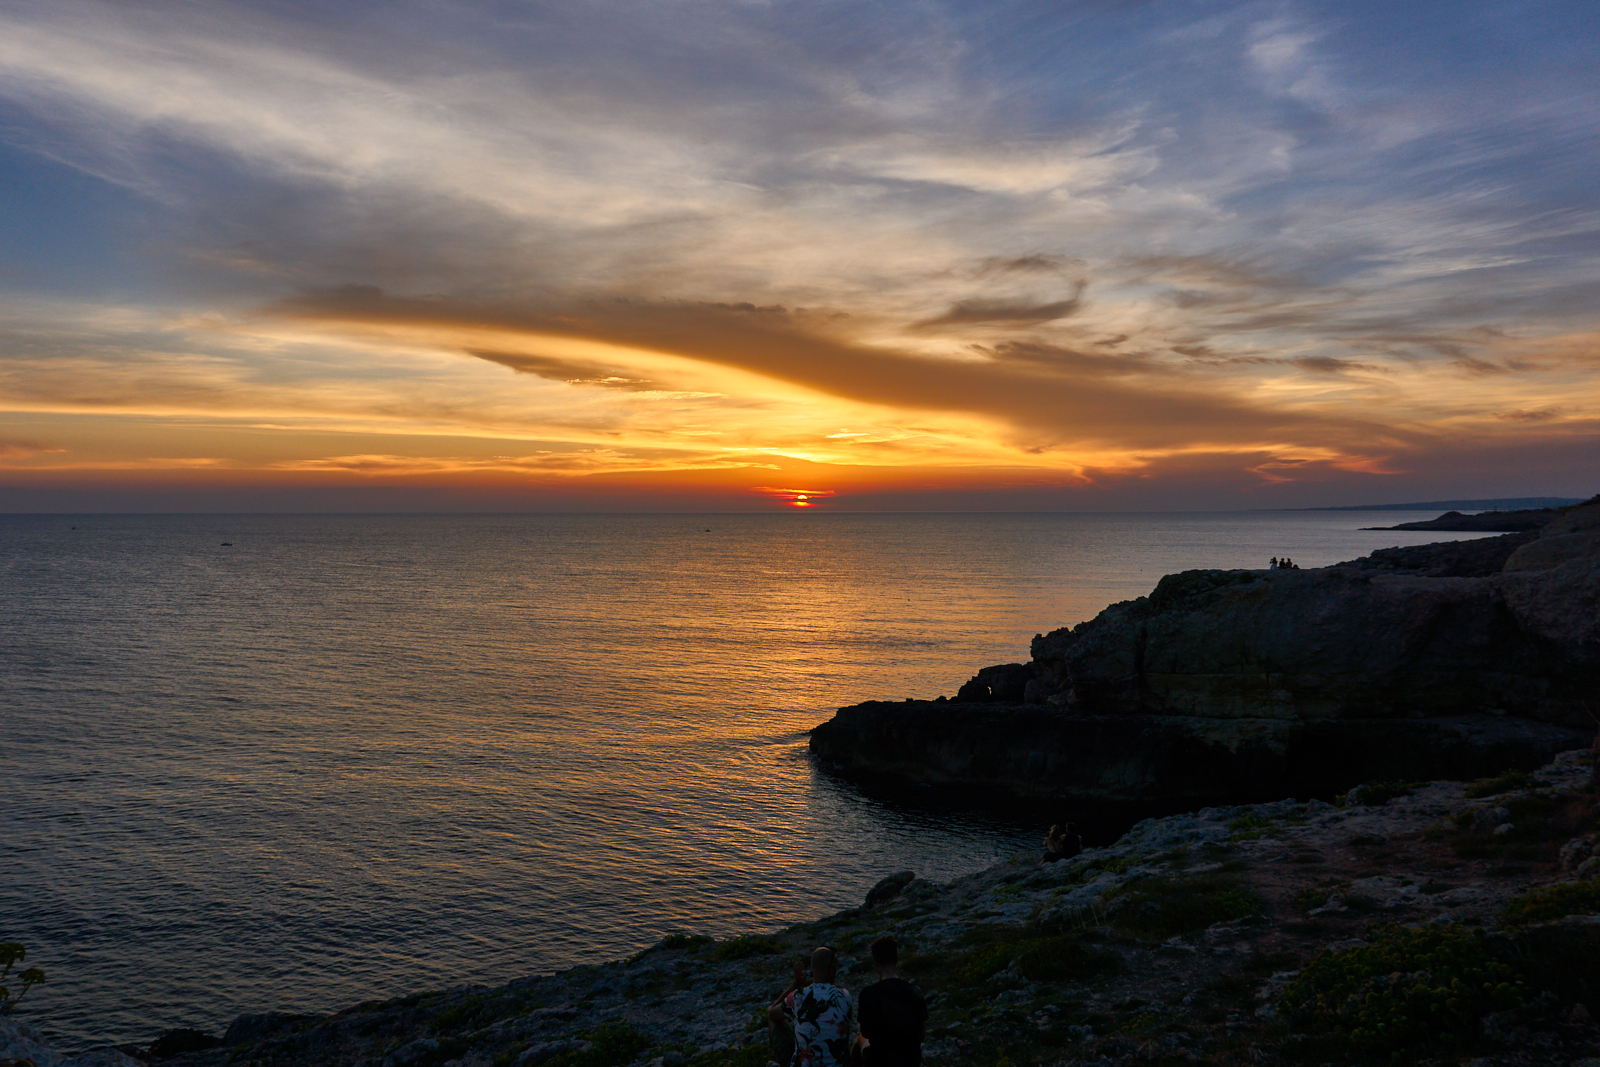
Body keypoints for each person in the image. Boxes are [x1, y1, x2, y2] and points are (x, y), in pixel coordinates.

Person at [851, 936, 926, 1067]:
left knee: (859, 1041)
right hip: (911, 1061)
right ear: (897, 959)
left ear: (875, 963)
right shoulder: (915, 991)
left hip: (879, 1061)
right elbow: (921, 1035)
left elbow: (866, 1032)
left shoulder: (868, 993)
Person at [774, 946, 853, 1067]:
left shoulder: (798, 995)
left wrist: (795, 985)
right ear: (832, 969)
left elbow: (771, 1012)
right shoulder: (845, 996)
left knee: (776, 1020)